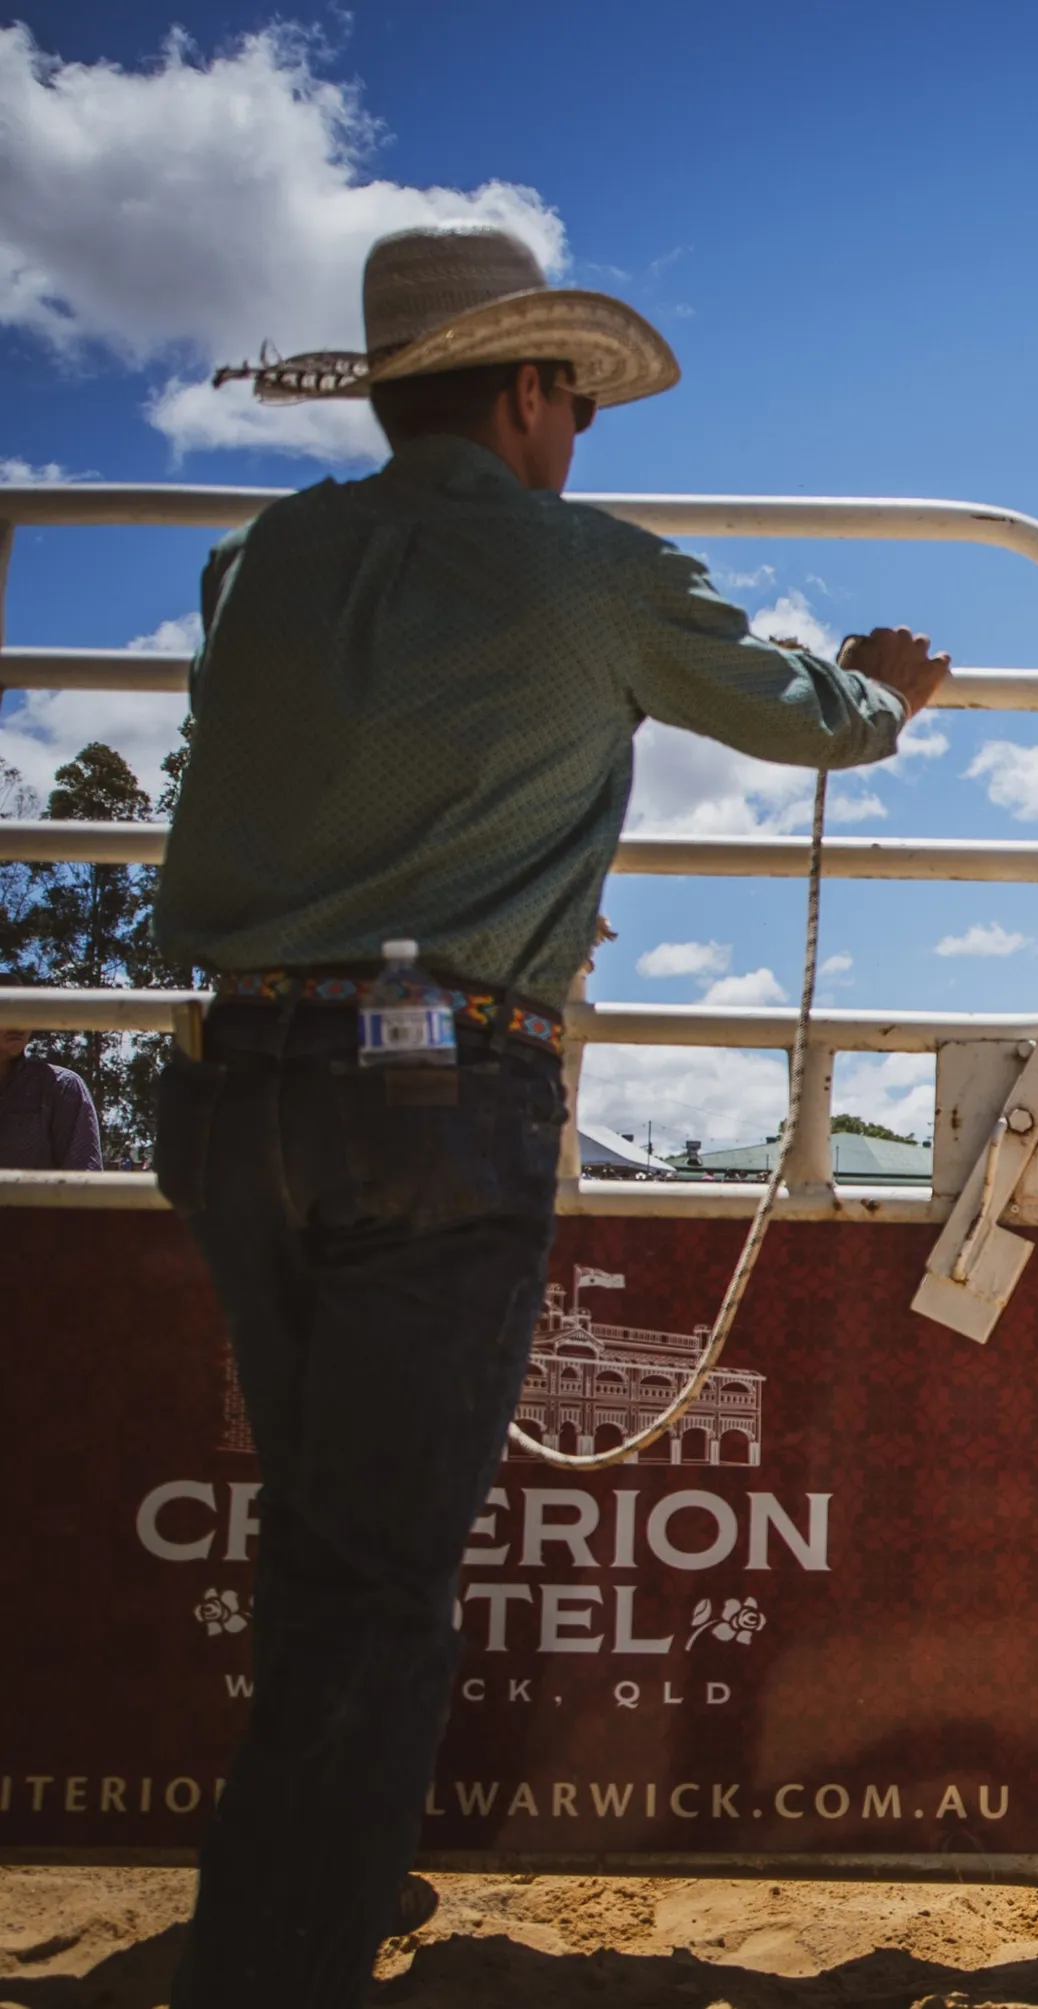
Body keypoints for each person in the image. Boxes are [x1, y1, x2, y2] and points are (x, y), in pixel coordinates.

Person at [152, 223, 950, 2009]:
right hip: (432, 1093)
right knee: (378, 1568)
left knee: (316, 1536)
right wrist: (889, 683)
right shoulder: (586, 570)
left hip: (235, 1074)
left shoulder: (265, 557)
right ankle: (276, 1959)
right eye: (574, 401)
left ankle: (315, 1883)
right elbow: (807, 718)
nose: (581, 433)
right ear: (525, 390)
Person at [0, 1026, 102, 1169]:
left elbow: (84, 1180)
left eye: (27, 1010)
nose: (18, 1023)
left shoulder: (61, 1087)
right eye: (6, 1010)